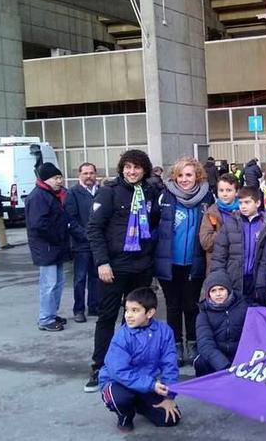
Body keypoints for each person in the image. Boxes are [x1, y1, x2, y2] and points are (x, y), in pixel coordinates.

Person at [86, 150, 161, 392]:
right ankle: (100, 366)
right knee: (107, 316)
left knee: (136, 319)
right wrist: (102, 262)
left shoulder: (150, 192)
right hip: (114, 267)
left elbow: (155, 223)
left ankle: (131, 363)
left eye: (137, 167)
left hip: (141, 266)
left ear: (145, 170)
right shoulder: (109, 192)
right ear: (122, 169)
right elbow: (94, 229)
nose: (132, 171)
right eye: (128, 167)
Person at [154, 157, 214, 367]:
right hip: (169, 263)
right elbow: (153, 225)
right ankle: (175, 345)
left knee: (191, 305)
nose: (184, 179)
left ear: (197, 175)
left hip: (194, 262)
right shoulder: (165, 196)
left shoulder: (207, 197)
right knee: (172, 305)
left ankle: (193, 342)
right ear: (174, 177)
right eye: (180, 175)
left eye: (189, 174)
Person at [98, 287, 180, 432]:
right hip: (117, 382)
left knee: (170, 418)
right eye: (127, 310)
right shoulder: (122, 336)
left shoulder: (164, 331)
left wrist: (169, 396)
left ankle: (138, 404)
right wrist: (151, 385)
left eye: (135, 310)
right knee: (121, 399)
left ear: (150, 313)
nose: (128, 315)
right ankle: (125, 416)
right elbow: (119, 371)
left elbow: (170, 364)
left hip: (147, 383)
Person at [209, 186, 266, 300]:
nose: (243, 206)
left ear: (258, 203)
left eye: (247, 202)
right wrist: (219, 279)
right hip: (234, 278)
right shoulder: (231, 223)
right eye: (240, 203)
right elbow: (219, 255)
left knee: (255, 313)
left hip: (258, 279)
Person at [25, 163, 70, 332]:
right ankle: (45, 318)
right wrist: (57, 237)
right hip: (47, 247)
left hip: (54, 247)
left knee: (58, 282)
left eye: (60, 177)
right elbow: (38, 225)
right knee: (49, 284)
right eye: (56, 178)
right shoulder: (39, 196)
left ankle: (51, 313)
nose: (60, 181)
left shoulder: (50, 194)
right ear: (46, 179)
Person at [193, 270, 249, 377]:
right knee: (201, 362)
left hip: (239, 355)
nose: (218, 294)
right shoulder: (203, 314)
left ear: (228, 290)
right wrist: (224, 366)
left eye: (221, 289)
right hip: (218, 356)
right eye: (213, 291)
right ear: (208, 294)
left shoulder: (243, 307)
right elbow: (205, 344)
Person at [65, 162, 99, 323]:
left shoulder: (101, 191)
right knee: (79, 278)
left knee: (96, 276)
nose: (88, 176)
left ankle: (94, 306)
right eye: (85, 173)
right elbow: (70, 218)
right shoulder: (72, 193)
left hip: (98, 243)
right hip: (81, 243)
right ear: (79, 175)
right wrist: (86, 235)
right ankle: (78, 309)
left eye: (91, 173)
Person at [199, 173, 240, 273]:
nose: (224, 194)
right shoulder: (211, 213)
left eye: (229, 190)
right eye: (221, 190)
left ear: (237, 192)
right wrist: (228, 231)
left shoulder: (244, 212)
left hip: (239, 267)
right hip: (217, 267)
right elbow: (206, 243)